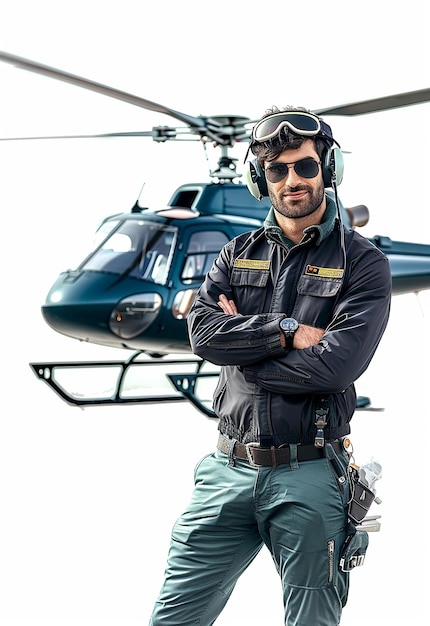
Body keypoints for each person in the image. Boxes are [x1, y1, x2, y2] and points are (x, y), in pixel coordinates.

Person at [148, 107, 392, 625]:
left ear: (330, 167)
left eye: (304, 167)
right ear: (260, 178)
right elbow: (202, 332)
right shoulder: (235, 253)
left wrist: (245, 358)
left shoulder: (364, 263)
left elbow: (335, 368)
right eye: (277, 170)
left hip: (310, 474)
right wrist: (285, 332)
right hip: (225, 469)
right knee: (171, 618)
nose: (293, 181)